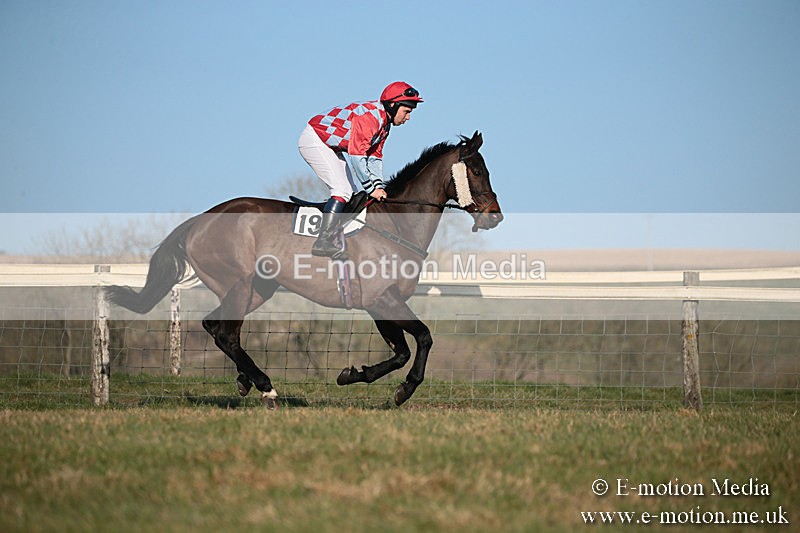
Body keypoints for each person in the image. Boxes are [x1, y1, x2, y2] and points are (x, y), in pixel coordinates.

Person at [298, 81, 423, 257]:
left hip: (331, 146)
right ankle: (322, 241)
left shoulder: (384, 125)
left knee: (355, 195)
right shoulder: (371, 119)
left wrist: (378, 186)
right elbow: (357, 156)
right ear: (393, 105)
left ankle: (336, 236)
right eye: (407, 111)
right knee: (342, 191)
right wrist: (371, 188)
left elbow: (374, 157)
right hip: (315, 139)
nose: (408, 117)